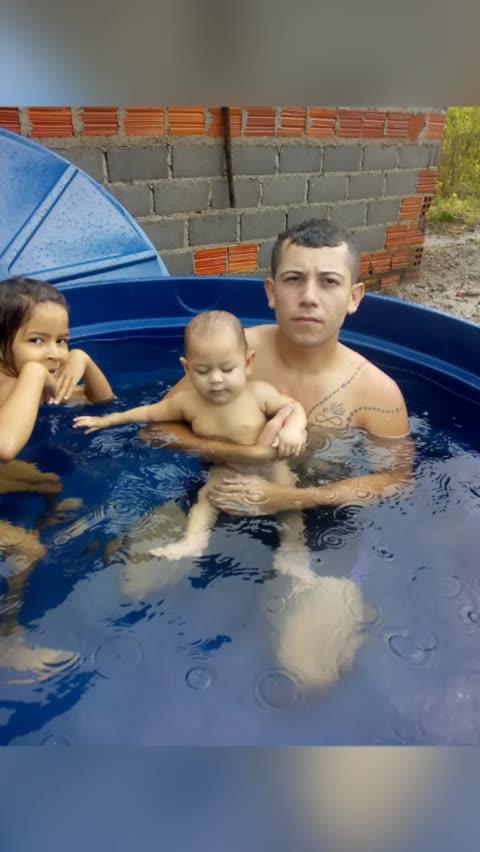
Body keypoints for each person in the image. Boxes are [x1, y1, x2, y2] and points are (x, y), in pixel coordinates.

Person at [140, 217, 413, 514]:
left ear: (354, 297)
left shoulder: (377, 392)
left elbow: (396, 479)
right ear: (271, 291)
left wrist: (291, 498)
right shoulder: (231, 357)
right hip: (214, 492)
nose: (309, 298)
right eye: (294, 279)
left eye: (329, 281)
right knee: (140, 543)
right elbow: (154, 430)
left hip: (321, 518)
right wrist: (243, 454)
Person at [74, 310, 310, 573]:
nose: (216, 379)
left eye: (228, 369)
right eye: (202, 370)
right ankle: (194, 541)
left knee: (290, 506)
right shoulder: (188, 403)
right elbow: (148, 413)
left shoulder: (259, 394)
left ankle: (293, 553)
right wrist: (106, 421)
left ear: (248, 363)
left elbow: (293, 407)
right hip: (226, 469)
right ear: (187, 369)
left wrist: (293, 429)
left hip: (271, 468)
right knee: (205, 498)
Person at [0, 276, 115, 679]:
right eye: (37, 341)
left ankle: (47, 519)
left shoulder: (31, 375)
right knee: (27, 549)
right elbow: (5, 446)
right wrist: (35, 375)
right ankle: (8, 641)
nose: (53, 353)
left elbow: (103, 402)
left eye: (62, 341)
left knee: (50, 483)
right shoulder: (18, 378)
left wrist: (84, 360)